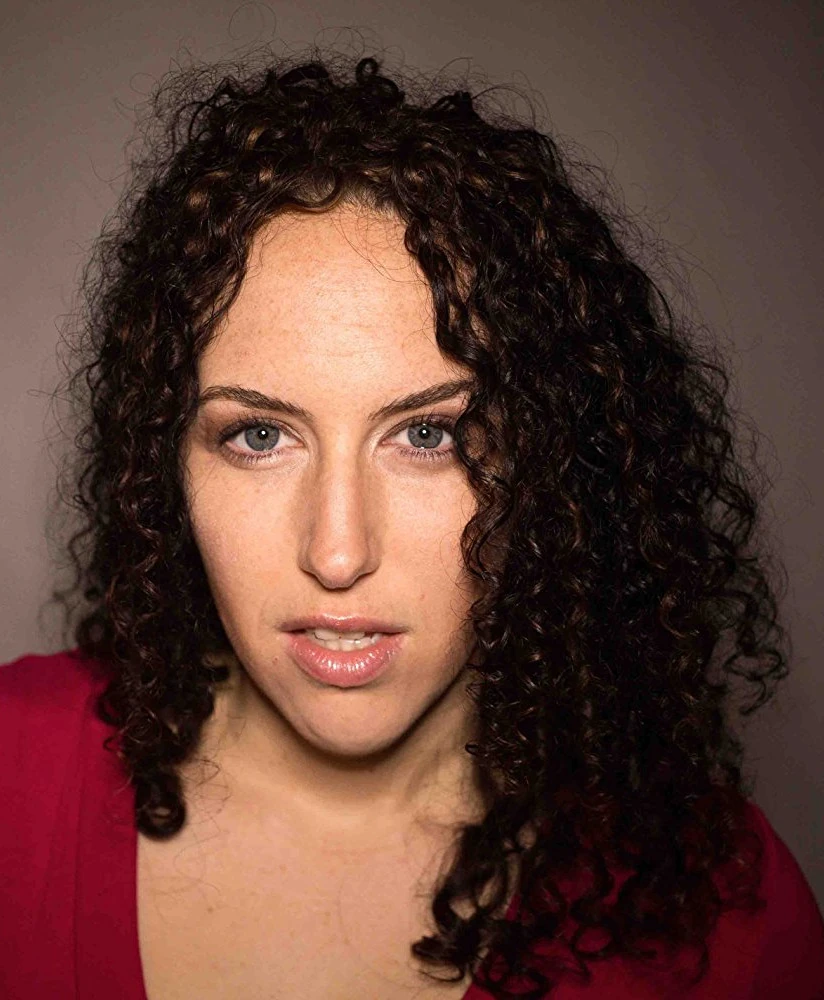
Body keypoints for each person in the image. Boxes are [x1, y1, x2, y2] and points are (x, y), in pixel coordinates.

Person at [1, 49, 822, 1000]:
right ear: (164, 463)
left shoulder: (727, 920)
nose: (337, 553)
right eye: (259, 435)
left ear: (551, 462)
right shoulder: (14, 775)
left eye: (429, 435)